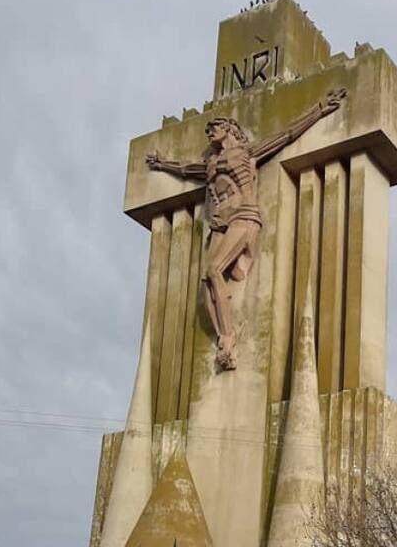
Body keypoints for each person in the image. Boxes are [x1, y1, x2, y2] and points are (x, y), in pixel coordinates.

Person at [146, 87, 346, 370]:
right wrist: (161, 164)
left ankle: (228, 338)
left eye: (215, 126)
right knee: (207, 283)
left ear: (229, 128)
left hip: (244, 216)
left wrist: (319, 109)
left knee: (214, 269)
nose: (209, 131)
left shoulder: (246, 152)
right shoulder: (211, 163)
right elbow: (185, 170)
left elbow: (286, 135)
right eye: (208, 129)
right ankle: (222, 337)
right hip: (219, 223)